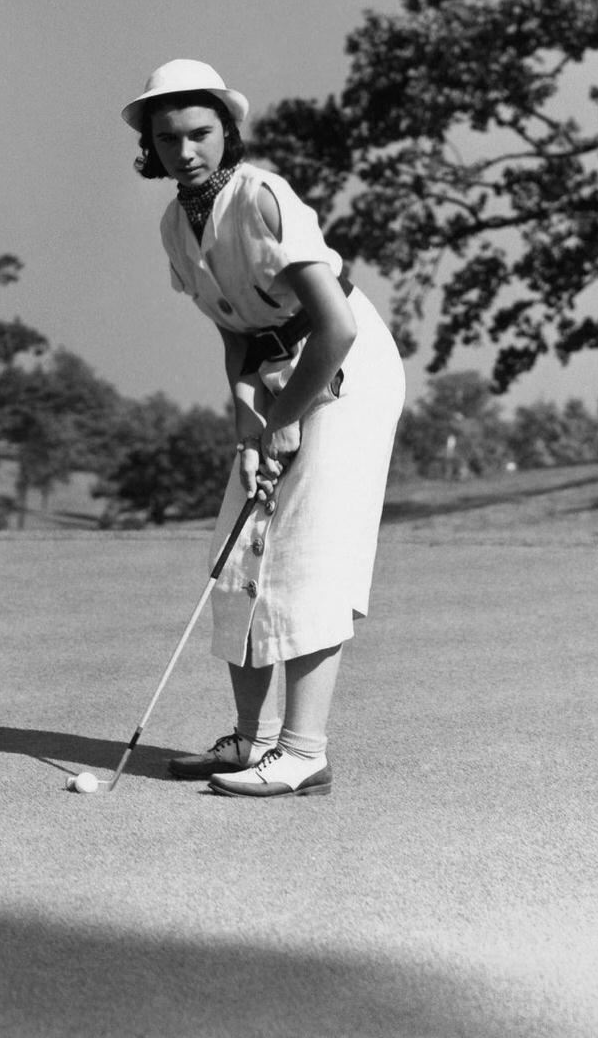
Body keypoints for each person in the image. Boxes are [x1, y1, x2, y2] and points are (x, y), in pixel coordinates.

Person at [121, 58, 405, 798]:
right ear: (150, 145)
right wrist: (250, 426)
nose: (185, 150)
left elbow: (335, 326)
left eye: (200, 133)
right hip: (277, 375)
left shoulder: (263, 197)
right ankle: (254, 740)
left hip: (349, 365)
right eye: (168, 137)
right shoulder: (174, 227)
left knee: (305, 553)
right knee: (238, 547)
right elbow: (235, 333)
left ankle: (304, 752)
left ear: (226, 132)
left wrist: (284, 419)